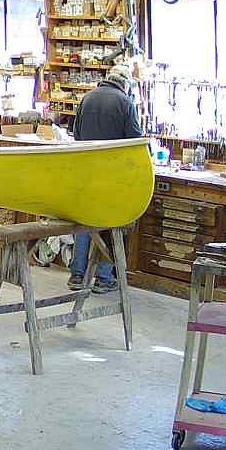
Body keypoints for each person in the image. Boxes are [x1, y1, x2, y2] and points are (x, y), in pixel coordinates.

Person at [69, 62, 142, 292]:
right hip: (112, 175)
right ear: (125, 85)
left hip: (86, 172)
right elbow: (136, 142)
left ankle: (77, 276)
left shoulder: (87, 98)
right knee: (110, 225)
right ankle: (103, 278)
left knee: (84, 224)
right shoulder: (125, 103)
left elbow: (76, 135)